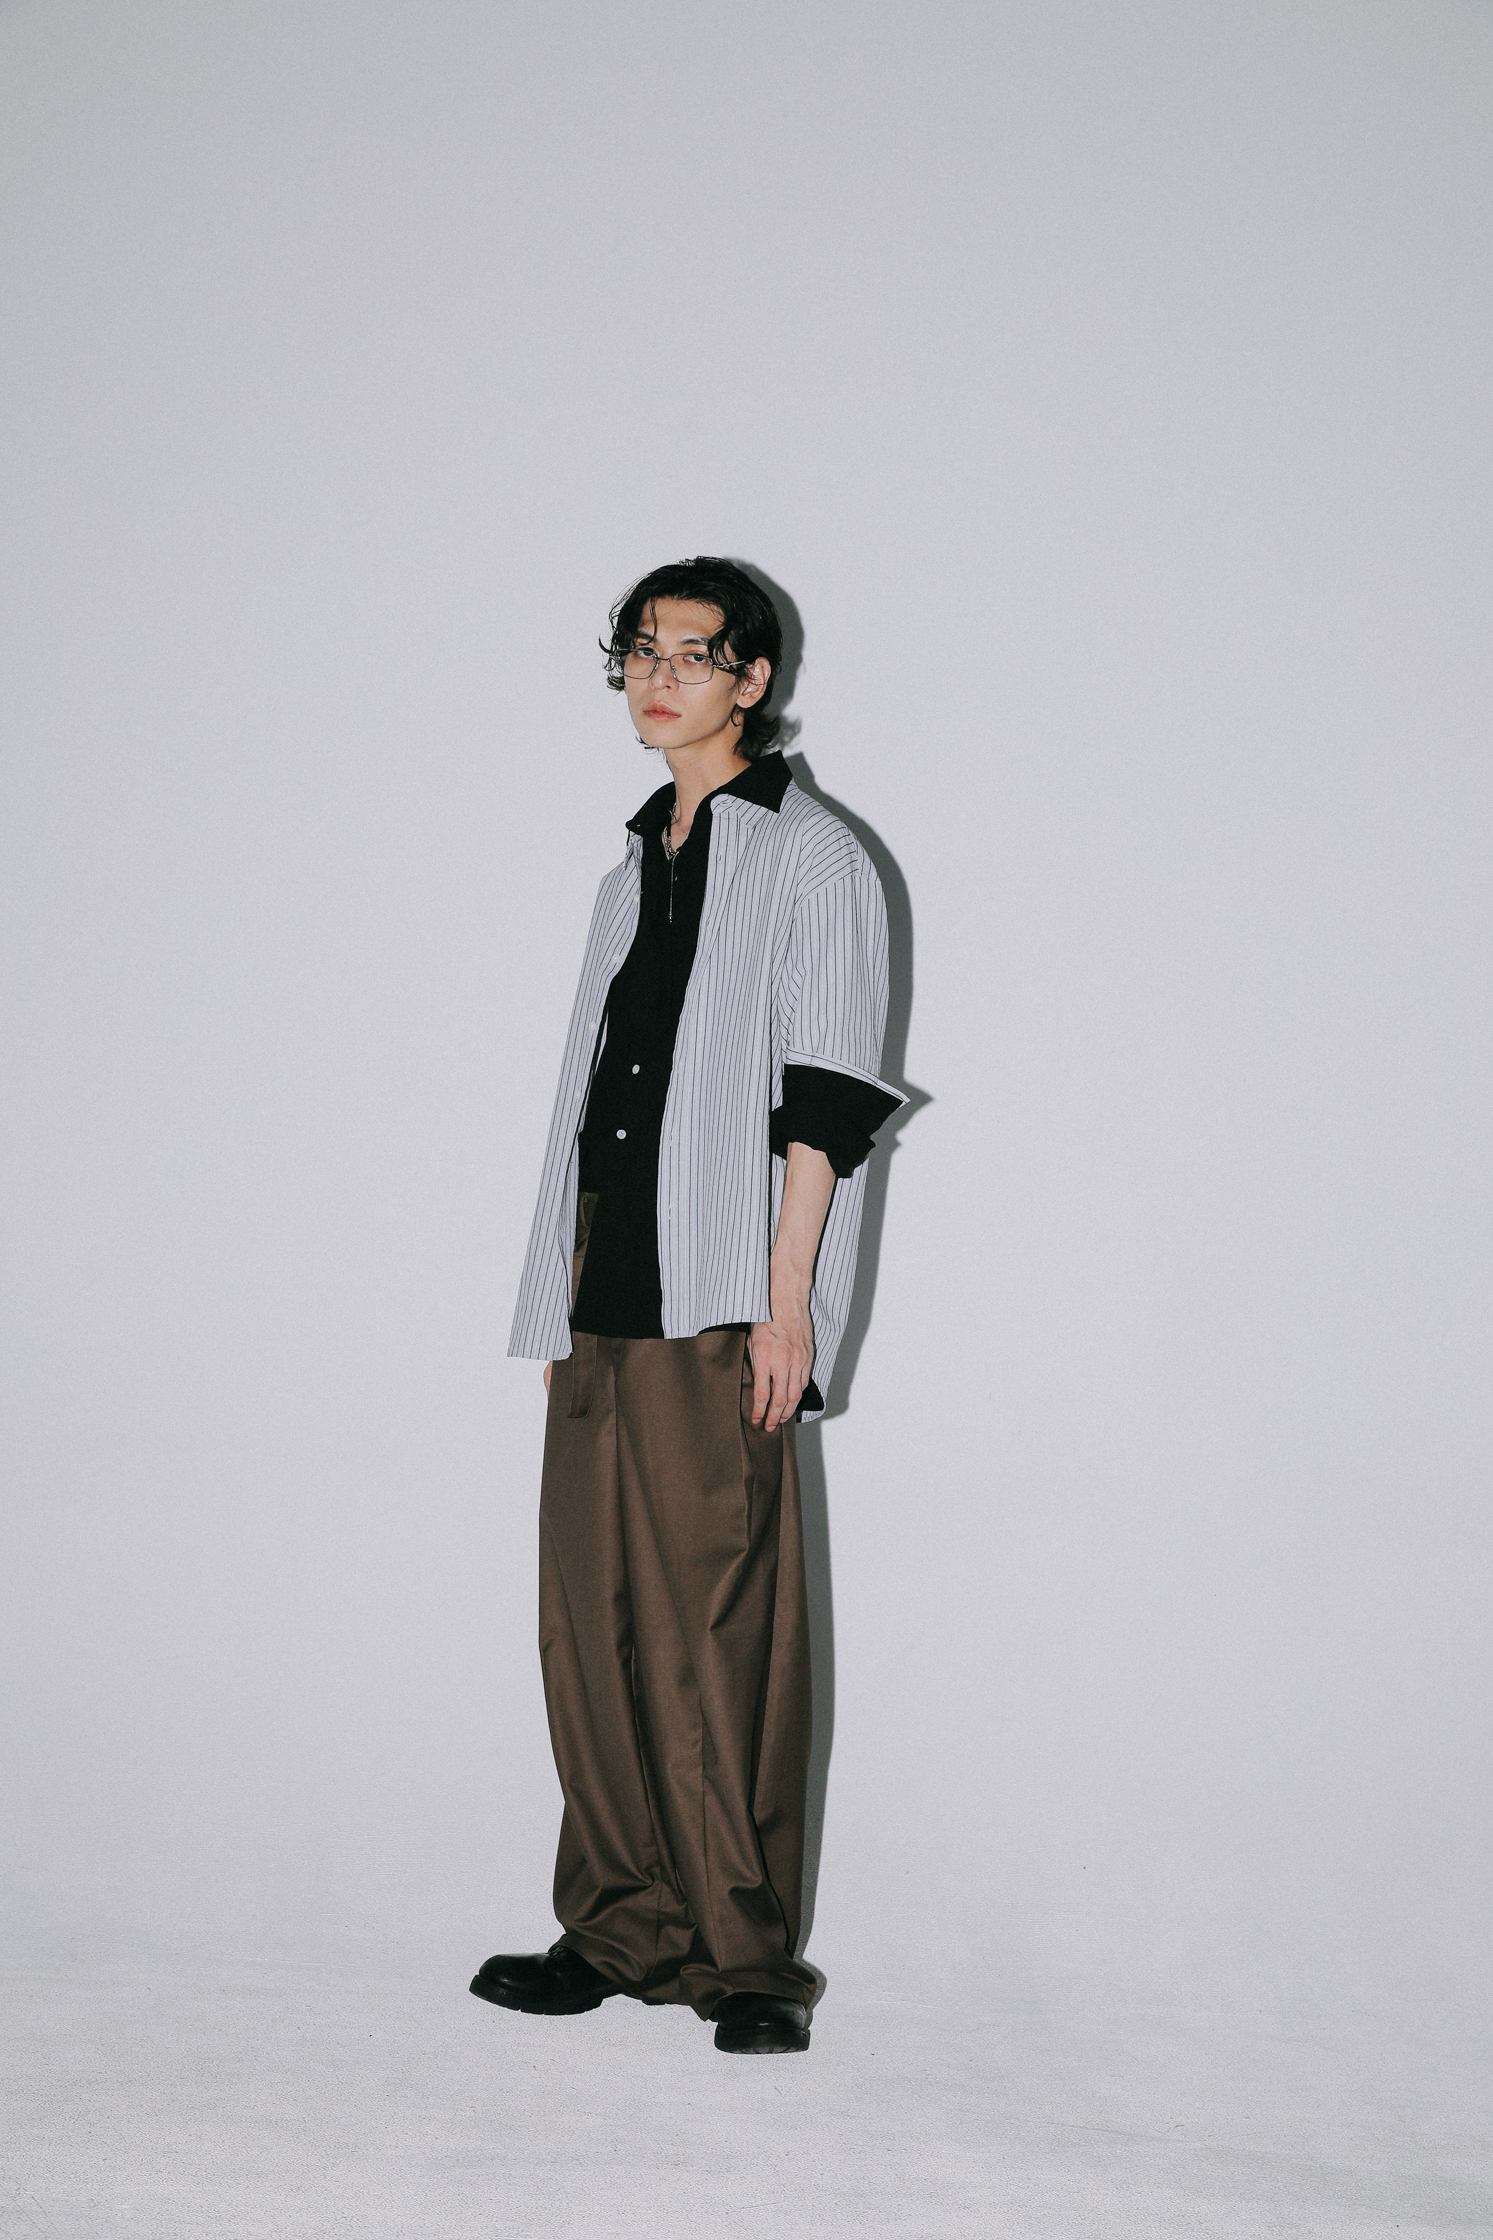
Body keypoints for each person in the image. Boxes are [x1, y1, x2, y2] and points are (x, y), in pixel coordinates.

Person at [471, 558, 901, 2056]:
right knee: (587, 1617)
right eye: (640, 652)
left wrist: (789, 1306)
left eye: (693, 655)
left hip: (722, 1280)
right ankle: (619, 1923)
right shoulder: (626, 874)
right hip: (605, 1272)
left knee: (717, 1619)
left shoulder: (816, 861)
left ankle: (743, 1958)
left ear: (752, 680)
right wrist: (556, 1293)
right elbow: (591, 1100)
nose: (659, 679)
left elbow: (828, 1097)